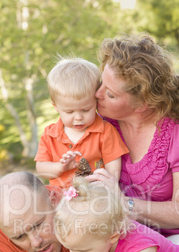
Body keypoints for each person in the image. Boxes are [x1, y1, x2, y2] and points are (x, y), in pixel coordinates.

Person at [89, 33, 179, 252]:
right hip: (138, 236)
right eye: (101, 83)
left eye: (111, 94)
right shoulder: (101, 122)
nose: (98, 94)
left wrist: (122, 205)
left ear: (143, 104)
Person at [34, 57, 128, 188]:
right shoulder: (50, 134)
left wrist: (108, 184)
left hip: (94, 194)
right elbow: (41, 167)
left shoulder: (105, 131)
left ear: (96, 101)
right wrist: (60, 167)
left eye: (85, 110)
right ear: (55, 106)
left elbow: (113, 162)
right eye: (69, 112)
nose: (78, 117)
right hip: (60, 197)